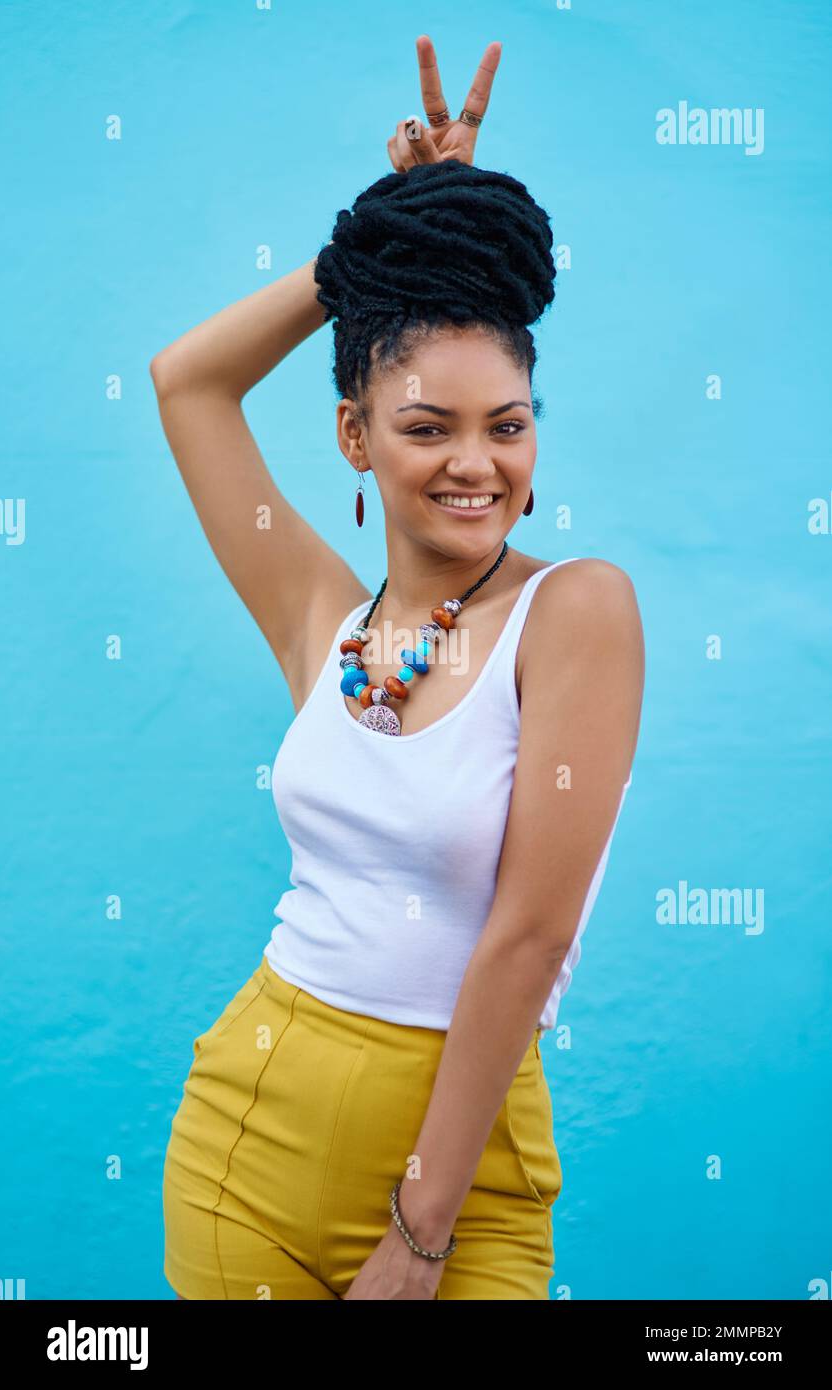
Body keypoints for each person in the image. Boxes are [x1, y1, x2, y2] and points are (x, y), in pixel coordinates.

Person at [153, 35, 644, 1301]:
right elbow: (188, 381)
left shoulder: (576, 614)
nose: (473, 462)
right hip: (249, 1131)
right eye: (425, 426)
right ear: (354, 437)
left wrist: (418, 1236)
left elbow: (528, 937)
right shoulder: (321, 617)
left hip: (462, 1179)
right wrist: (385, 240)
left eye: (507, 424)